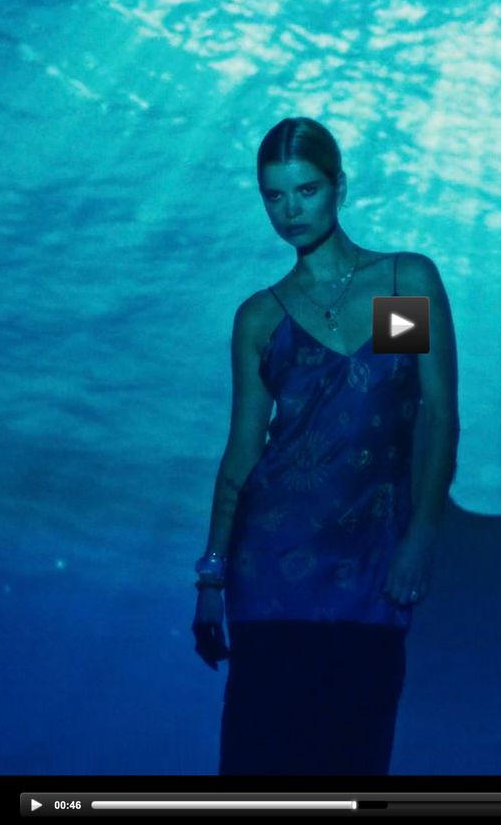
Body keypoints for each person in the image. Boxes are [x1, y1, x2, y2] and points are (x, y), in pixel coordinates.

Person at [192, 116, 460, 776]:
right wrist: (211, 577)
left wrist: (422, 535)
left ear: (340, 185)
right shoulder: (261, 317)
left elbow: (429, 416)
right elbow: (242, 459)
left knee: (354, 761)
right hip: (268, 570)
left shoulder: (400, 287)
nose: (290, 211)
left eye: (305, 190)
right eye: (273, 197)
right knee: (257, 769)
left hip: (368, 565)